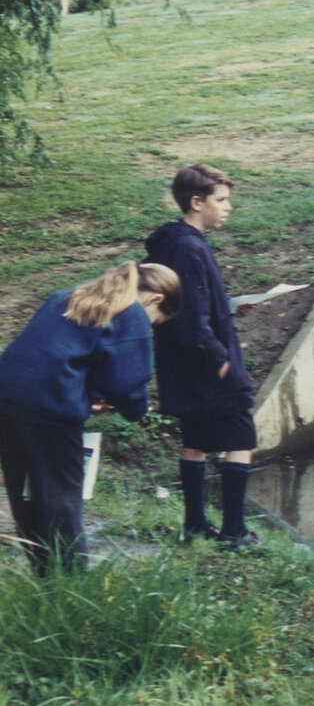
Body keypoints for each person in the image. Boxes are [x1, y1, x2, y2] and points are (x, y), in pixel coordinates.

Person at [0, 261, 180, 572]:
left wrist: (89, 396)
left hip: (8, 396)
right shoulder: (132, 312)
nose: (150, 326)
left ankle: (42, 567)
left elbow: (57, 352)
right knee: (62, 492)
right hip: (49, 408)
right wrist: (136, 409)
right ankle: (69, 583)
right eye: (156, 322)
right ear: (155, 300)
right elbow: (126, 381)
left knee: (26, 490)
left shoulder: (70, 295)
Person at [146, 164, 258, 549]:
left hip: (185, 362)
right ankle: (234, 532)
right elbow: (190, 318)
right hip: (205, 362)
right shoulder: (188, 247)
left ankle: (195, 525)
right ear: (197, 202)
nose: (227, 208)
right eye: (221, 200)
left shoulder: (175, 244)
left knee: (194, 439)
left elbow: (190, 302)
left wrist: (228, 306)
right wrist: (219, 360)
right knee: (241, 437)